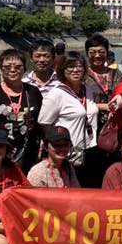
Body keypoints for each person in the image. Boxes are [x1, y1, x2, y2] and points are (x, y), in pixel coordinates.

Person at [0, 48, 43, 174]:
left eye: (17, 66)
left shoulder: (33, 92)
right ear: (1, 69)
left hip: (28, 152)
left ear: (25, 69)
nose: (12, 70)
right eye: (7, 67)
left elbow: (40, 123)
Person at [37, 51, 101, 187]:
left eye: (79, 66)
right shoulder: (56, 94)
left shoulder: (86, 90)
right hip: (69, 152)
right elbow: (44, 124)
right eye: (70, 66)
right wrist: (58, 147)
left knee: (91, 189)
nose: (75, 70)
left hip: (91, 148)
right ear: (62, 69)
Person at [84, 34, 122, 133]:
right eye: (93, 52)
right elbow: (77, 102)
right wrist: (105, 106)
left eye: (101, 52)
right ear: (87, 53)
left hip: (114, 125)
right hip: (90, 126)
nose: (97, 55)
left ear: (107, 53)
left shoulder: (116, 73)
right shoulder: (82, 75)